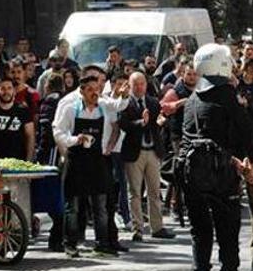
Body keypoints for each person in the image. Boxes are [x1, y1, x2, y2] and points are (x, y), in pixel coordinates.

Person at [180, 43, 253, 271]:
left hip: (193, 178)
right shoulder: (227, 95)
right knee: (227, 234)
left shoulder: (191, 99)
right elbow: (248, 132)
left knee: (199, 234)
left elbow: (184, 139)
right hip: (223, 176)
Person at [53, 75, 129, 257]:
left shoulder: (103, 106)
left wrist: (124, 96)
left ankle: (102, 243)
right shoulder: (71, 109)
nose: (95, 93)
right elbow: (58, 132)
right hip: (76, 161)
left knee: (101, 206)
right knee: (73, 206)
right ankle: (70, 244)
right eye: (90, 90)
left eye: (97, 89)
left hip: (98, 161)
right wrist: (74, 140)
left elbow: (119, 106)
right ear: (82, 91)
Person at [119, 72, 176, 243]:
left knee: (154, 191)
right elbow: (124, 124)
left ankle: (157, 227)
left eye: (142, 83)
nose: (139, 87)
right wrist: (140, 123)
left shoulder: (152, 102)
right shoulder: (124, 103)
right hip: (134, 152)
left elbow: (159, 119)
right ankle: (138, 228)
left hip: (152, 151)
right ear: (130, 85)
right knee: (135, 192)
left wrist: (160, 121)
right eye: (135, 84)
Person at [36, 73, 65, 251]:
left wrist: (41, 152)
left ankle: (57, 237)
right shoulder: (65, 100)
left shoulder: (48, 103)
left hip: (52, 152)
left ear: (47, 86)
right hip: (64, 149)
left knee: (53, 194)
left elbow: (46, 130)